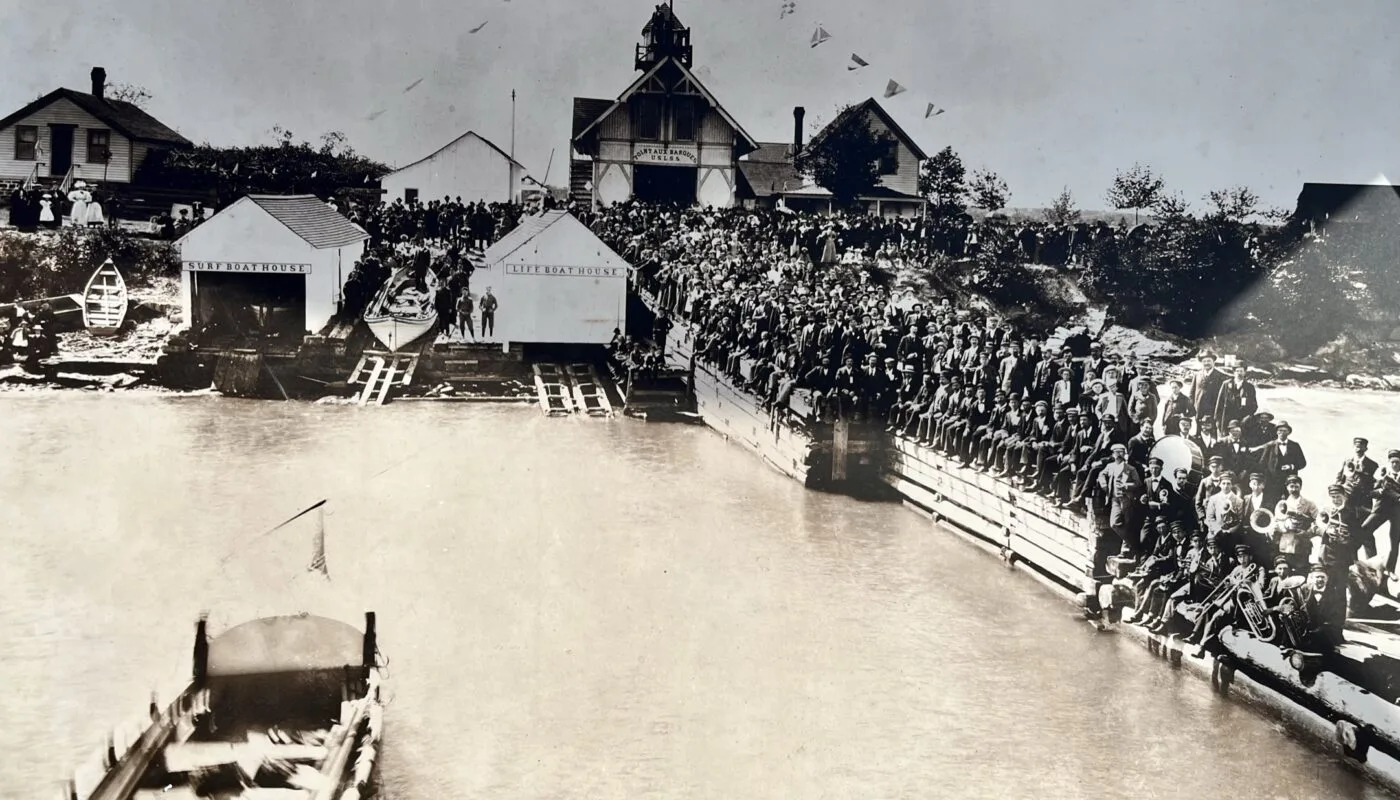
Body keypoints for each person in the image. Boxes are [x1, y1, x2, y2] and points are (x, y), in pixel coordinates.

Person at [1251, 419, 1307, 509]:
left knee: (1290, 506)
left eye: (1285, 430)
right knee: (1271, 505)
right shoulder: (1270, 446)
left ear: (1288, 432)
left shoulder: (1295, 446)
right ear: (1276, 432)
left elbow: (1302, 463)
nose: (1282, 433)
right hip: (1272, 482)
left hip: (1290, 483)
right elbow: (1262, 464)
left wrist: (1291, 466)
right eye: (1280, 430)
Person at [1189, 351, 1228, 433]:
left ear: (1213, 362)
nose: (1206, 363)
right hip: (1199, 409)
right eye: (1204, 361)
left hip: (1213, 409)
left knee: (1213, 431)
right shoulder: (1197, 375)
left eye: (1209, 361)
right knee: (1199, 431)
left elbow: (1224, 395)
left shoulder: (1221, 376)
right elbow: (1192, 392)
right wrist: (1192, 407)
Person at [1214, 363, 1258, 431]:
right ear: (1234, 372)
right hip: (1227, 418)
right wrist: (1217, 419)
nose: (1239, 373)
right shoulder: (1226, 384)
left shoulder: (1249, 387)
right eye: (1237, 371)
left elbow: (1254, 406)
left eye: (1241, 371)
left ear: (1245, 372)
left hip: (1243, 419)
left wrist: (1247, 417)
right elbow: (1219, 402)